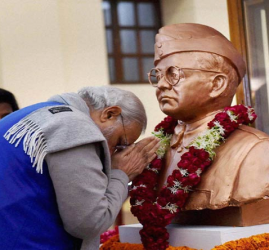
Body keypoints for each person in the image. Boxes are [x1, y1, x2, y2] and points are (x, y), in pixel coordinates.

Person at [150, 23, 269, 225]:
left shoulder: (258, 151)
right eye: (158, 74)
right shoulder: (155, 151)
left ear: (217, 84)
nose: (162, 84)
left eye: (173, 74)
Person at [0, 86, 160, 249]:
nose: (112, 153)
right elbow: (89, 222)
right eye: (119, 143)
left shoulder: (26, 115)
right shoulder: (75, 126)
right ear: (109, 114)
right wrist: (121, 173)